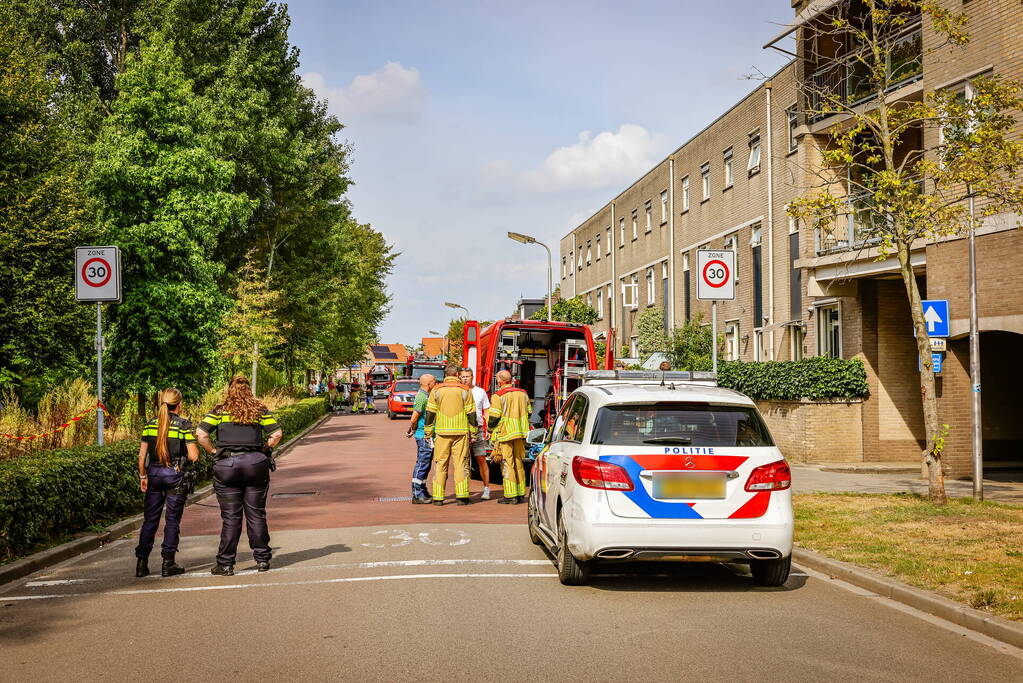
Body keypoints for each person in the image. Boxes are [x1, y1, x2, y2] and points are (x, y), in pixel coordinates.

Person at [196, 376, 283, 576]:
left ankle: (225, 564)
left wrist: (213, 452)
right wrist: (264, 448)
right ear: (248, 391)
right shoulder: (259, 410)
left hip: (227, 465)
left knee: (231, 517)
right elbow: (276, 433)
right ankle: (262, 559)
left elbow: (201, 434)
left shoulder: (219, 411)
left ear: (230, 390)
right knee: (256, 514)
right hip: (255, 464)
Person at [134, 387, 200, 577]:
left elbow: (141, 456)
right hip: (174, 475)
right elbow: (194, 456)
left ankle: (141, 563)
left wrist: (143, 477)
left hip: (153, 474)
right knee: (172, 520)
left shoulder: (150, 424)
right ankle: (168, 563)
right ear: (179, 404)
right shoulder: (183, 425)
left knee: (150, 519)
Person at [424, 365, 477, 506]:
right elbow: (471, 414)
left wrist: (428, 432)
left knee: (440, 464)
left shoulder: (436, 390)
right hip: (461, 432)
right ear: (458, 375)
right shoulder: (465, 390)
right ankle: (462, 497)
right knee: (461, 464)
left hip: (442, 433)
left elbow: (430, 413)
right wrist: (474, 432)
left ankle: (438, 498)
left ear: (445, 374)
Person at [487, 370, 532, 504]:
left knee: (507, 463)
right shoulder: (523, 393)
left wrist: (490, 429)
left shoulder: (498, 396)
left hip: (505, 434)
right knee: (519, 462)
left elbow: (494, 417)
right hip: (520, 433)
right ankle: (520, 493)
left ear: (500, 381)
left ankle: (510, 495)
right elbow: (529, 412)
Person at [458, 367, 492, 500]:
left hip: (477, 429)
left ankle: (486, 489)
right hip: (462, 429)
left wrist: (488, 428)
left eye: (467, 376)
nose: (465, 379)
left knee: (481, 458)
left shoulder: (480, 392)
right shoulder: (458, 392)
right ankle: (463, 490)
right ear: (459, 377)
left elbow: (487, 411)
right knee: (463, 460)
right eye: (463, 376)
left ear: (472, 377)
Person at [405, 373, 437, 503]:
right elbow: (414, 417)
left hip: (427, 435)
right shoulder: (422, 397)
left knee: (426, 464)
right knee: (422, 463)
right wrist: (412, 429)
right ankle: (417, 494)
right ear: (429, 384)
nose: (435, 383)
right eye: (434, 381)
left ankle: (423, 490)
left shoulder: (426, 395)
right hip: (423, 435)